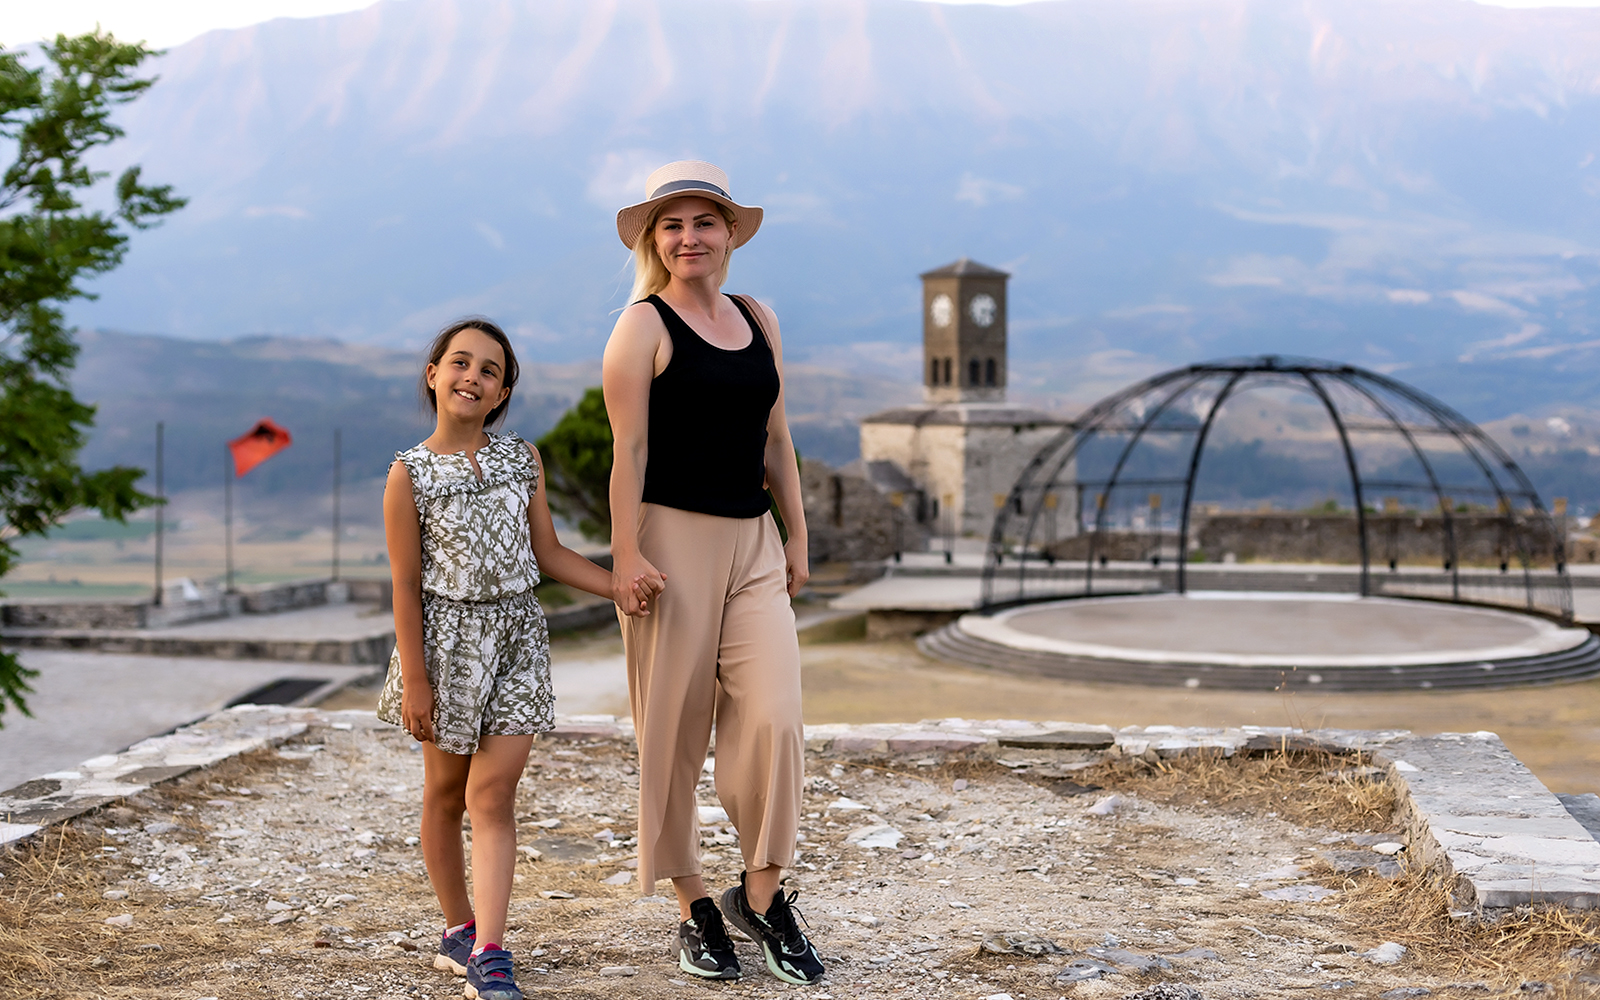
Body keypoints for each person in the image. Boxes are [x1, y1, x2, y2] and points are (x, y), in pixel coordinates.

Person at [602, 160, 824, 985]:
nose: (689, 237)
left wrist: (796, 536)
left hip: (754, 543)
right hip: (670, 544)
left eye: (704, 222)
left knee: (774, 717)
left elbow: (776, 439)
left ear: (731, 233)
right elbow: (628, 455)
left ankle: (760, 896)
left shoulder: (758, 317)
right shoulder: (642, 327)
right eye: (672, 225)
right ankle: (694, 903)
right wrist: (626, 556)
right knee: (671, 732)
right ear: (654, 241)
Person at [376, 318, 614, 1000]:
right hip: (444, 648)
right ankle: (457, 928)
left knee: (492, 793)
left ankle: (491, 949)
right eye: (460, 362)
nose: (472, 376)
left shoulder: (523, 460)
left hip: (517, 639)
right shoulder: (409, 472)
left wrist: (620, 586)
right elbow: (402, 584)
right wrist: (416, 680)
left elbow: (551, 554)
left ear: (504, 389)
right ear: (433, 374)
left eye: (489, 369)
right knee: (446, 794)